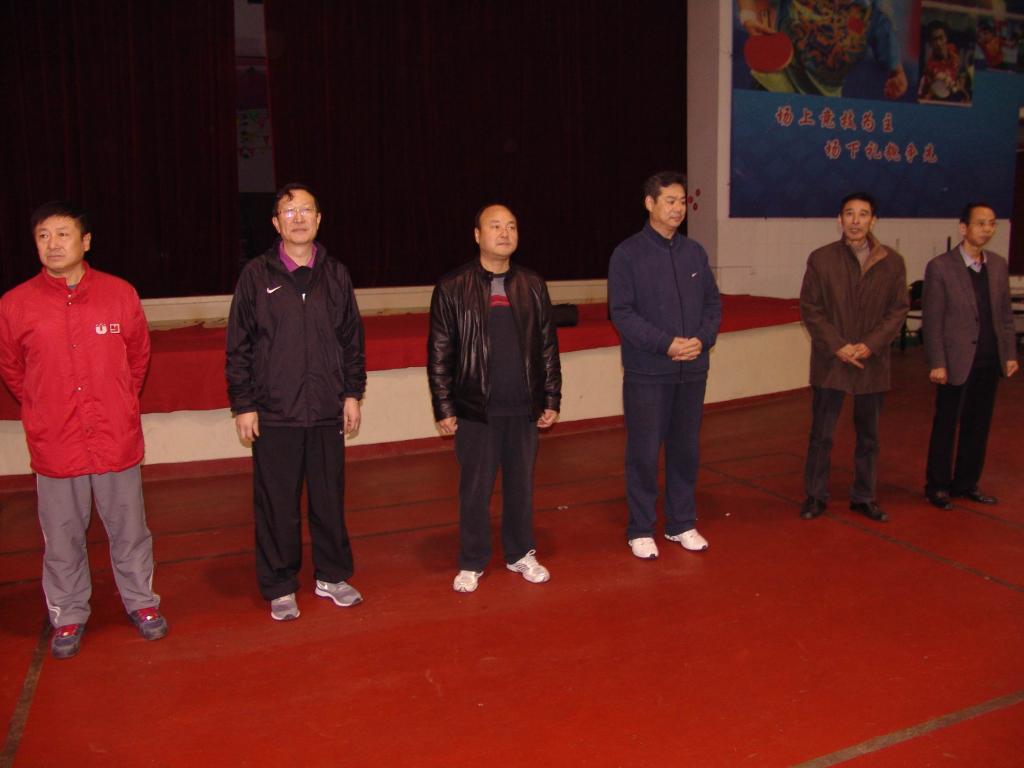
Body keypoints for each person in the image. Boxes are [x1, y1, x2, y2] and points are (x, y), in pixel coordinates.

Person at [0, 201, 167, 659]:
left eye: (63, 234)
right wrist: (44, 409)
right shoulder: (14, 305)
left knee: (130, 529)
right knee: (62, 536)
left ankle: (141, 602)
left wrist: (117, 402)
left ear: (85, 241)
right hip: (56, 442)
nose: (53, 244)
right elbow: (13, 370)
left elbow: (138, 359)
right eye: (43, 236)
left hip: (114, 436)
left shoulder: (120, 295)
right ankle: (69, 613)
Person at [226, 183, 366, 621]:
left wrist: (351, 393)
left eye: (306, 210)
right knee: (277, 505)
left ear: (319, 220)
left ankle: (333, 576)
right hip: (275, 412)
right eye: (289, 212)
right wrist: (244, 404)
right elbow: (239, 346)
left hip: (326, 409)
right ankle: (280, 584)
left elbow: (352, 340)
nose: (299, 218)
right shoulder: (256, 275)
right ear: (276, 223)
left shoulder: (336, 274)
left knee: (328, 500)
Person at [428, 203, 561, 593]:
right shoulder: (453, 286)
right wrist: (444, 405)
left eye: (512, 226)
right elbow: (439, 351)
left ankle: (521, 553)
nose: (505, 233)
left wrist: (551, 397)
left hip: (523, 408)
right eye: (496, 226)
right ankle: (472, 560)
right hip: (476, 410)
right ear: (477, 235)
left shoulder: (532, 284)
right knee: (475, 490)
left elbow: (547, 346)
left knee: (521, 487)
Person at [608, 171, 722, 560]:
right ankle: (641, 528)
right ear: (650, 203)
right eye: (669, 201)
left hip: (692, 370)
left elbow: (712, 304)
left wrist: (702, 339)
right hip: (648, 373)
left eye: (681, 201)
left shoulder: (695, 253)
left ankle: (681, 523)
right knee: (643, 452)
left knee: (685, 450)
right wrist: (666, 344)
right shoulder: (627, 254)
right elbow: (622, 313)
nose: (677, 208)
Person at [799, 192, 908, 523]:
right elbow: (811, 309)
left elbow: (898, 310)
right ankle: (815, 496)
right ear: (839, 220)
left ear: (874, 220)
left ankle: (864, 496)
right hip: (832, 361)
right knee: (822, 434)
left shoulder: (892, 262)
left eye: (863, 214)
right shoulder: (821, 259)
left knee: (869, 436)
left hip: (871, 362)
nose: (856, 220)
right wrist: (838, 345)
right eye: (849, 213)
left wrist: (870, 344)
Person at [922, 203, 1019, 510]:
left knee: (978, 426)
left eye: (991, 223)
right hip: (955, 362)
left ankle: (966, 483)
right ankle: (937, 486)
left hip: (989, 361)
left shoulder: (998, 265)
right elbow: (933, 319)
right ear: (963, 228)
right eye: (980, 223)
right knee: (946, 425)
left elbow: (1004, 315)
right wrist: (937, 362)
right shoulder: (941, 267)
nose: (987, 229)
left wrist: (1009, 353)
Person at [738, 0, 908, 100]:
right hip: (775, 87)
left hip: (824, 104)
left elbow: (886, 39)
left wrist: (897, 75)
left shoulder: (872, 11)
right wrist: (748, 16)